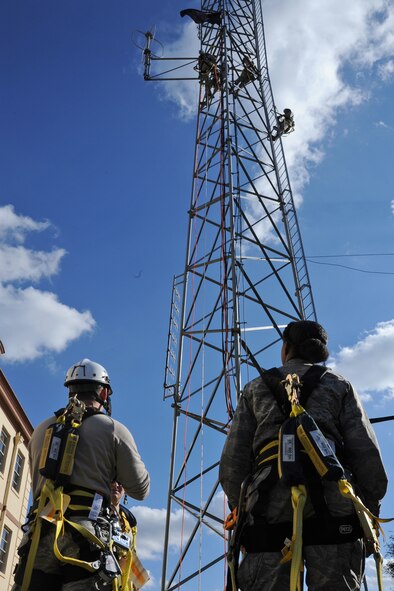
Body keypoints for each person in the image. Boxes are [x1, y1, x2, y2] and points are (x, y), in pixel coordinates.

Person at [219, 320, 388, 591]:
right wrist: (369, 509)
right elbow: (367, 457)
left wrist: (241, 508)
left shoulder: (255, 389)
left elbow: (233, 465)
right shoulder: (339, 385)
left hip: (268, 508)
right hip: (335, 507)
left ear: (286, 348)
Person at [12, 358, 150, 591]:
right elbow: (140, 489)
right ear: (104, 394)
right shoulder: (113, 429)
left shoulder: (41, 430)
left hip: (40, 536)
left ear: (69, 390)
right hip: (86, 538)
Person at [109, 481, 149, 590]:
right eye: (112, 481)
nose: (116, 485)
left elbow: (132, 554)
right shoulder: (92, 510)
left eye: (120, 483)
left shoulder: (129, 521)